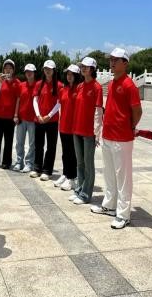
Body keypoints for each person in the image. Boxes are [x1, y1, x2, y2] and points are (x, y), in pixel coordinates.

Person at [90, 48, 142, 229]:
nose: (111, 62)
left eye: (115, 60)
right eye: (110, 59)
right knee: (109, 174)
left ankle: (123, 214)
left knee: (123, 178)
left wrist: (130, 127)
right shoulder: (112, 83)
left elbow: (137, 111)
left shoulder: (129, 85)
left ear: (125, 63)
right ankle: (109, 205)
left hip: (122, 138)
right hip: (108, 135)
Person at [70, 57, 103, 205]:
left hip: (89, 132)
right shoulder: (79, 86)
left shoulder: (97, 87)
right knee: (80, 163)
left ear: (92, 69)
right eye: (82, 66)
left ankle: (86, 194)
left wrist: (97, 133)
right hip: (76, 129)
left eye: (86, 66)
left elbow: (98, 111)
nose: (83, 68)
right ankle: (79, 189)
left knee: (88, 164)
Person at [31, 59, 63, 181]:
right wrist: (38, 115)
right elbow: (35, 100)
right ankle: (37, 168)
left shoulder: (59, 85)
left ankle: (47, 170)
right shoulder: (39, 84)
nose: (47, 71)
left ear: (54, 71)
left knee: (51, 146)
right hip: (39, 120)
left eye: (49, 69)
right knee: (38, 145)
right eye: (45, 69)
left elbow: (59, 103)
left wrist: (49, 115)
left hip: (52, 121)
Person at [0, 59, 20, 169]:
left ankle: (6, 162)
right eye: (6, 68)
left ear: (13, 70)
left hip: (10, 116)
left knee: (8, 140)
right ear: (3, 69)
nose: (8, 70)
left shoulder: (17, 82)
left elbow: (18, 99)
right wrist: (0, 83)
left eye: (10, 68)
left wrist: (16, 115)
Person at [54, 63, 81, 191]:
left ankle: (72, 177)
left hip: (73, 127)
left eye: (72, 74)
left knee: (72, 154)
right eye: (67, 74)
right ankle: (65, 174)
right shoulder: (63, 90)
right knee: (65, 153)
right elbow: (59, 105)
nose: (69, 76)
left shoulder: (79, 89)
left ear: (77, 76)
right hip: (63, 126)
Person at [12, 63, 38, 172]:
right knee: (19, 142)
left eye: (31, 71)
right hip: (21, 118)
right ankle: (19, 162)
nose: (28, 73)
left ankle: (29, 163)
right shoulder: (21, 85)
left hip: (33, 119)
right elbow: (18, 100)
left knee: (32, 143)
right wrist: (16, 115)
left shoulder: (38, 85)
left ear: (34, 73)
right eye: (27, 71)